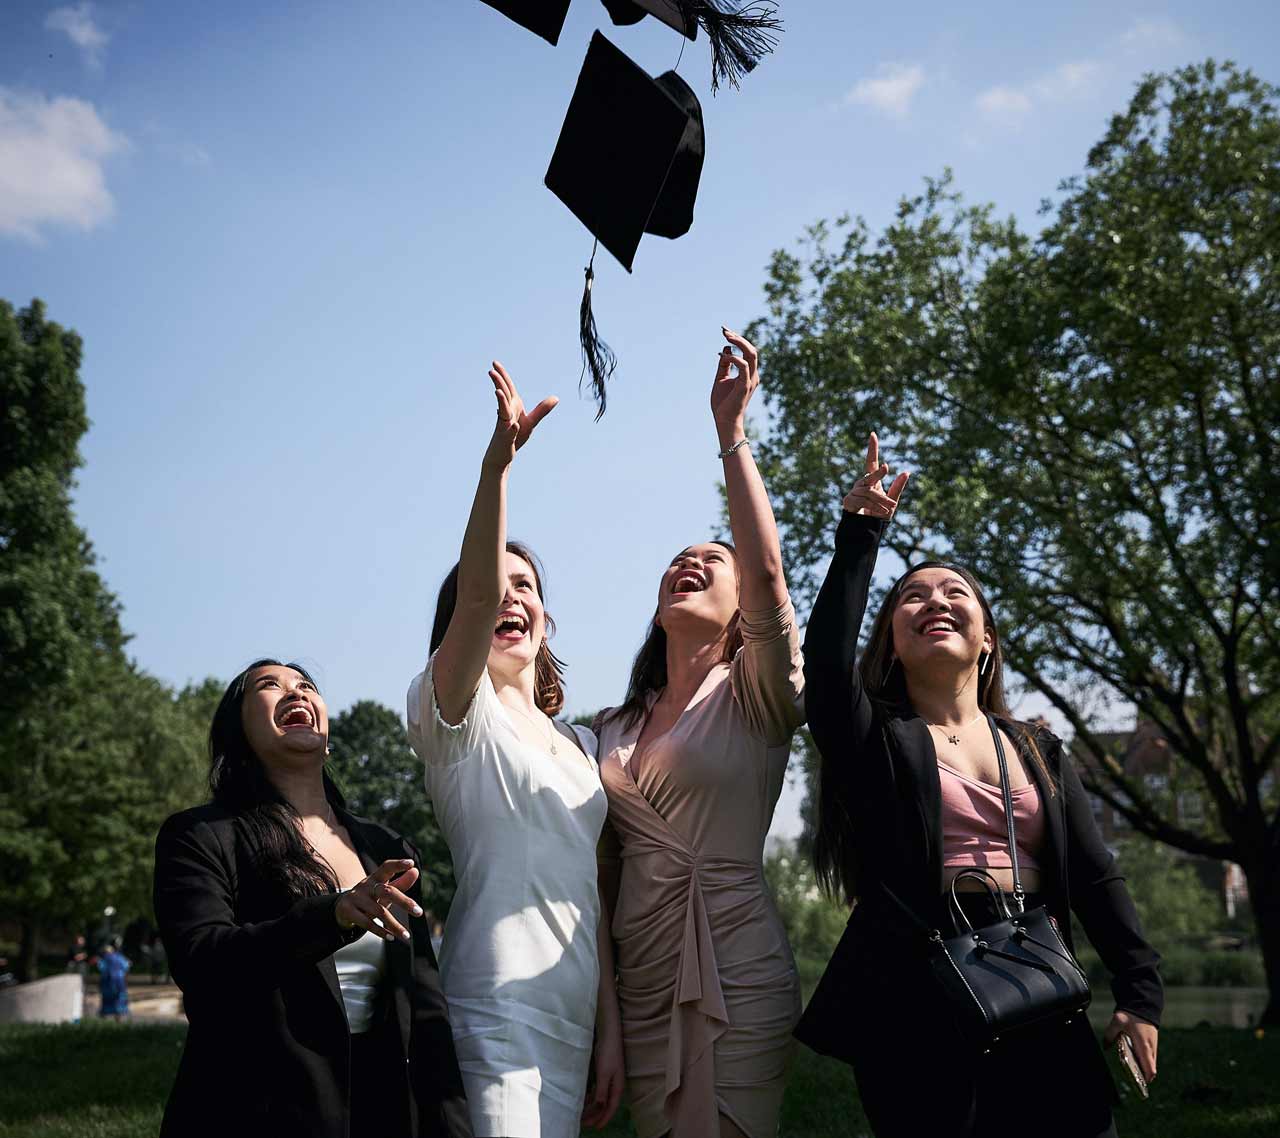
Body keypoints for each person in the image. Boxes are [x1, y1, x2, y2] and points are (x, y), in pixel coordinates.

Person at [796, 433, 1164, 1138]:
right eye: (910, 598)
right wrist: (861, 534)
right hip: (914, 1004)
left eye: (953, 592)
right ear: (892, 642)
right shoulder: (876, 743)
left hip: (1038, 985)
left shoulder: (1040, 749)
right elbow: (824, 660)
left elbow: (1095, 878)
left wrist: (1139, 996)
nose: (933, 600)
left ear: (987, 636)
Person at [594, 329, 806, 1138]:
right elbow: (601, 879)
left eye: (710, 560)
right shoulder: (607, 731)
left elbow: (770, 574)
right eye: (678, 558)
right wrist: (607, 1019)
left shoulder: (757, 693)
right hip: (641, 973)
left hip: (738, 963)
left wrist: (731, 437)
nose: (691, 562)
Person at [406, 361, 623, 1138]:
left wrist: (611, 1031)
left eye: (525, 585)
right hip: (493, 999)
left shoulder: (582, 743)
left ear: (546, 617)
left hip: (572, 1005)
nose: (509, 596)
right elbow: (476, 596)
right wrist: (496, 466)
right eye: (493, 586)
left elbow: (588, 893)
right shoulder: (455, 716)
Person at [153, 660, 470, 1138]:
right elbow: (203, 964)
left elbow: (425, 1008)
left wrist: (452, 1126)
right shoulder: (200, 835)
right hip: (256, 1111)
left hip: (382, 1106)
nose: (295, 693)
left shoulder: (388, 848)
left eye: (306, 686)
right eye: (269, 686)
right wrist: (333, 915)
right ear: (236, 729)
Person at [96, 941, 131, 1020]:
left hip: (108, 982)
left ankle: (103, 1018)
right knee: (118, 999)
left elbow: (101, 968)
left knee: (107, 1000)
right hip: (120, 982)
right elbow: (126, 966)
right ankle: (118, 1018)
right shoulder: (120, 957)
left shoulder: (105, 958)